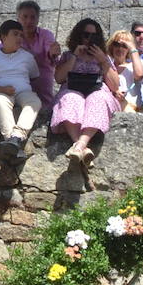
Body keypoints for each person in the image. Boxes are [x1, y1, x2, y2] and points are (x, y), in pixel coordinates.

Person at [52, 17, 119, 171]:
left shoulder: (104, 57)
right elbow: (59, 78)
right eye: (85, 35)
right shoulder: (69, 55)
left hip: (96, 89)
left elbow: (115, 86)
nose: (89, 39)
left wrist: (103, 61)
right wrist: (75, 56)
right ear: (79, 36)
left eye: (93, 36)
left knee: (98, 99)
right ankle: (82, 146)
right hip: (73, 88)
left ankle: (79, 145)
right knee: (70, 98)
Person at [0, 19, 42, 161]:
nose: (19, 38)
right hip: (0, 92)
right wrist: (3, 89)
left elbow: (35, 76)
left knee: (34, 101)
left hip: (23, 92)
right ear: (3, 37)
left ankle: (16, 137)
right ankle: (12, 143)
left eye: (21, 35)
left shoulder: (27, 57)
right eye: (15, 34)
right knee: (0, 101)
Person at [14, 0, 61, 108]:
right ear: (18, 18)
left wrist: (53, 53)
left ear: (38, 19)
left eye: (33, 17)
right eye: (25, 17)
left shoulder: (46, 35)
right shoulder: (11, 37)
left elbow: (51, 54)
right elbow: (2, 50)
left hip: (43, 89)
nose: (29, 21)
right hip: (19, 89)